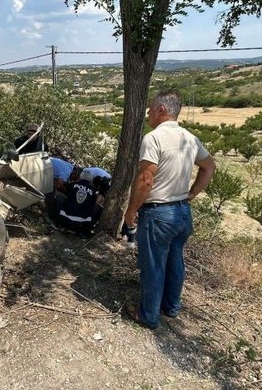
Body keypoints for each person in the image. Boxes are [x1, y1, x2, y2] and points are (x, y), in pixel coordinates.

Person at [123, 89, 216, 329]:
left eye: (151, 109)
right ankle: (171, 307)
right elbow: (209, 167)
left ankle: (148, 315)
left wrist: (131, 210)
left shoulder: (153, 138)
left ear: (161, 110)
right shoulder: (190, 138)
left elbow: (145, 180)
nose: (148, 114)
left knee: (153, 265)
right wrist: (193, 193)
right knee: (175, 261)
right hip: (182, 212)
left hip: (158, 214)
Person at [56, 170, 102, 237]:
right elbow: (95, 203)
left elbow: (61, 188)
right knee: (98, 208)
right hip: (80, 224)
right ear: (91, 180)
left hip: (64, 219)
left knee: (59, 196)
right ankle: (86, 229)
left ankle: (57, 221)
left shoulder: (72, 185)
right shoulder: (93, 191)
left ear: (80, 177)